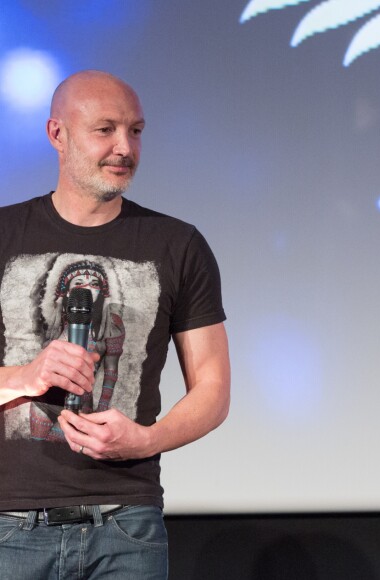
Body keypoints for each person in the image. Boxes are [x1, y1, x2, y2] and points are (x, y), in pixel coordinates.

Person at [0, 70, 230, 579]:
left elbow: (212, 389)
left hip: (128, 525)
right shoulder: (4, 235)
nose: (124, 148)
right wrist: (24, 375)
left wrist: (146, 440)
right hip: (9, 526)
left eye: (136, 131)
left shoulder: (177, 245)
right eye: (105, 130)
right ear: (57, 134)